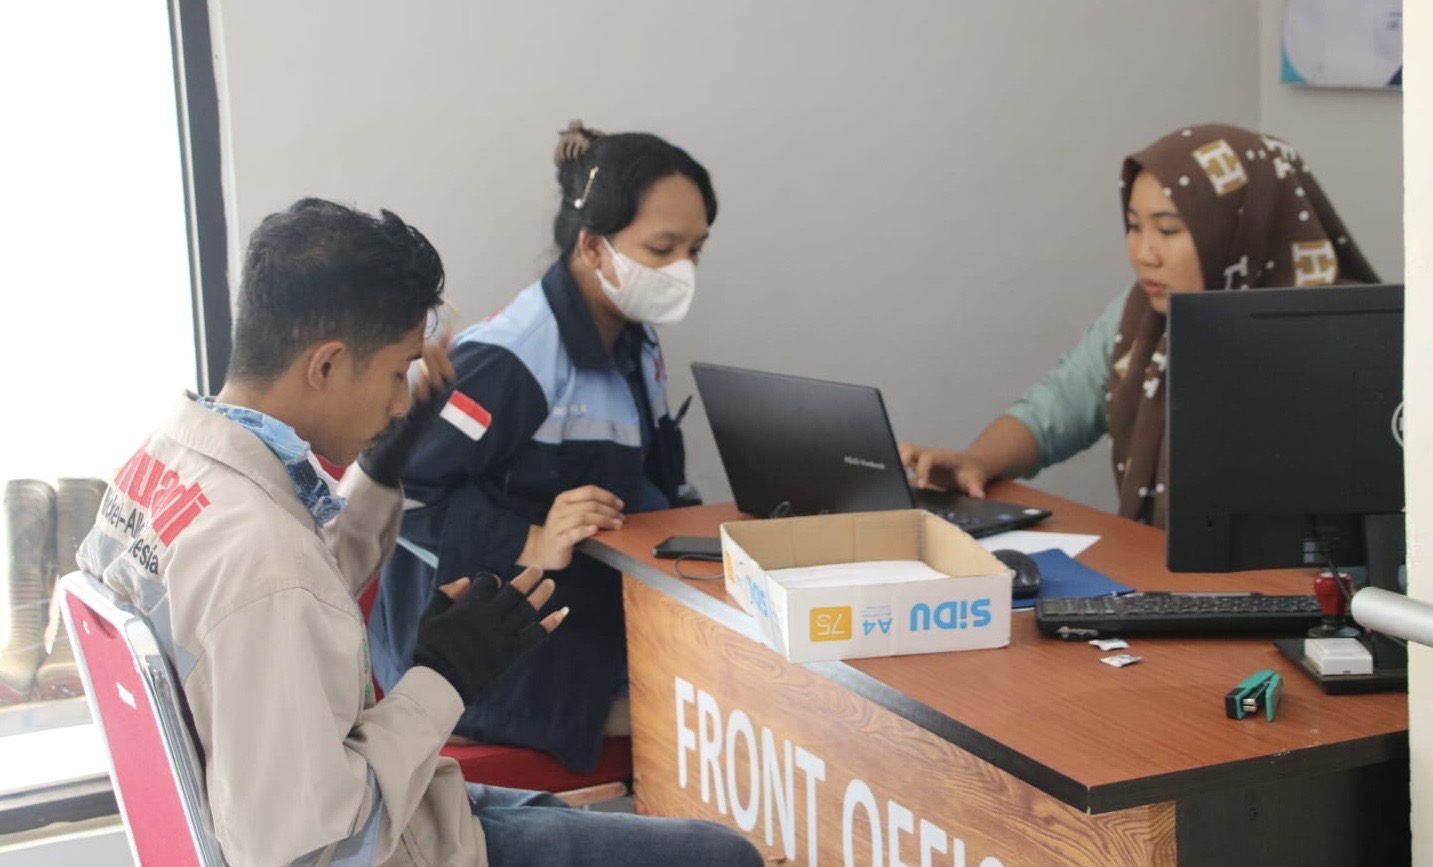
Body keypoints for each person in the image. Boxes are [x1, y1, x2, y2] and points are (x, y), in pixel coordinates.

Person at [76, 198, 762, 866]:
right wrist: (444, 676)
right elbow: (314, 849)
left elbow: (294, 591)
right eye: (395, 371)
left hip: (378, 797)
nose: (403, 399)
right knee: (724, 855)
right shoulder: (265, 563)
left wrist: (384, 462)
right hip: (383, 839)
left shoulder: (163, 465)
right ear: (326, 365)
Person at [368, 122, 713, 772]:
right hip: (466, 654)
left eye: (695, 249)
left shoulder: (635, 340)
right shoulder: (513, 361)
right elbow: (401, 498)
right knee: (706, 709)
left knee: (728, 672)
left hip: (574, 611)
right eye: (663, 248)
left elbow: (650, 482)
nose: (682, 271)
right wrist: (529, 538)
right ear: (593, 246)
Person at [900, 122, 1380, 528]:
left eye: (1168, 230)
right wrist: (976, 461)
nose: (1144, 254)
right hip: (1170, 583)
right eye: (1134, 225)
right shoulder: (1141, 316)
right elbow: (1054, 408)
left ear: (1242, 229)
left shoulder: (1341, 332)